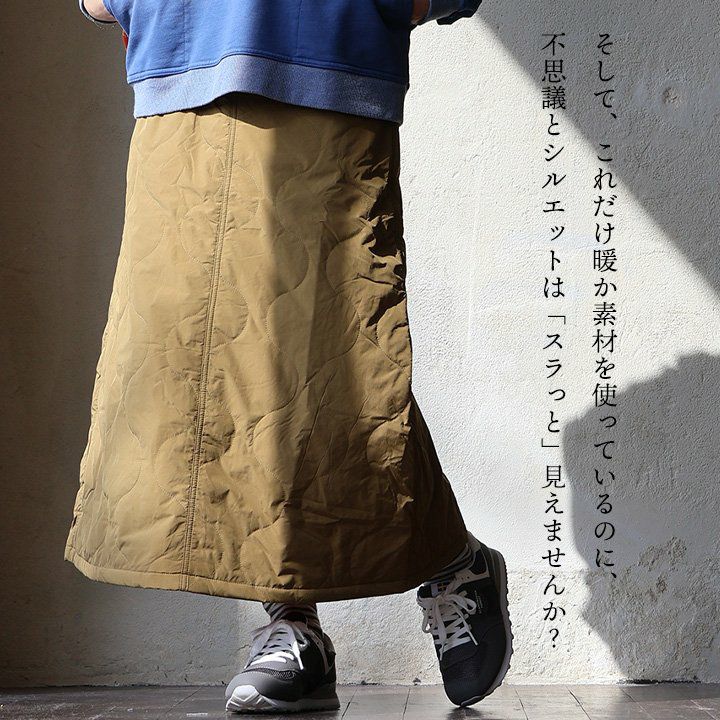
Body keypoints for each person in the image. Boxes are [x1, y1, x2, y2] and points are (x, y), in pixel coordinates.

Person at [67, 0, 513, 713]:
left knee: (330, 365)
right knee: (191, 365)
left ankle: (415, 574)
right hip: (179, 79)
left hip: (326, 67)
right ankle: (299, 625)